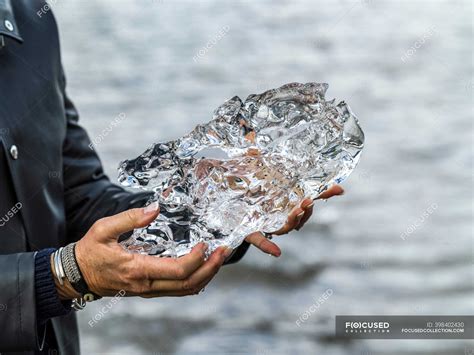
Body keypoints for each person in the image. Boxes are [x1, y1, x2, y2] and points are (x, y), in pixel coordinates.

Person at [0, 1, 344, 353]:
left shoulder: (32, 21)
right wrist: (63, 276)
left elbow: (75, 195)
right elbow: (69, 267)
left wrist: (221, 210)